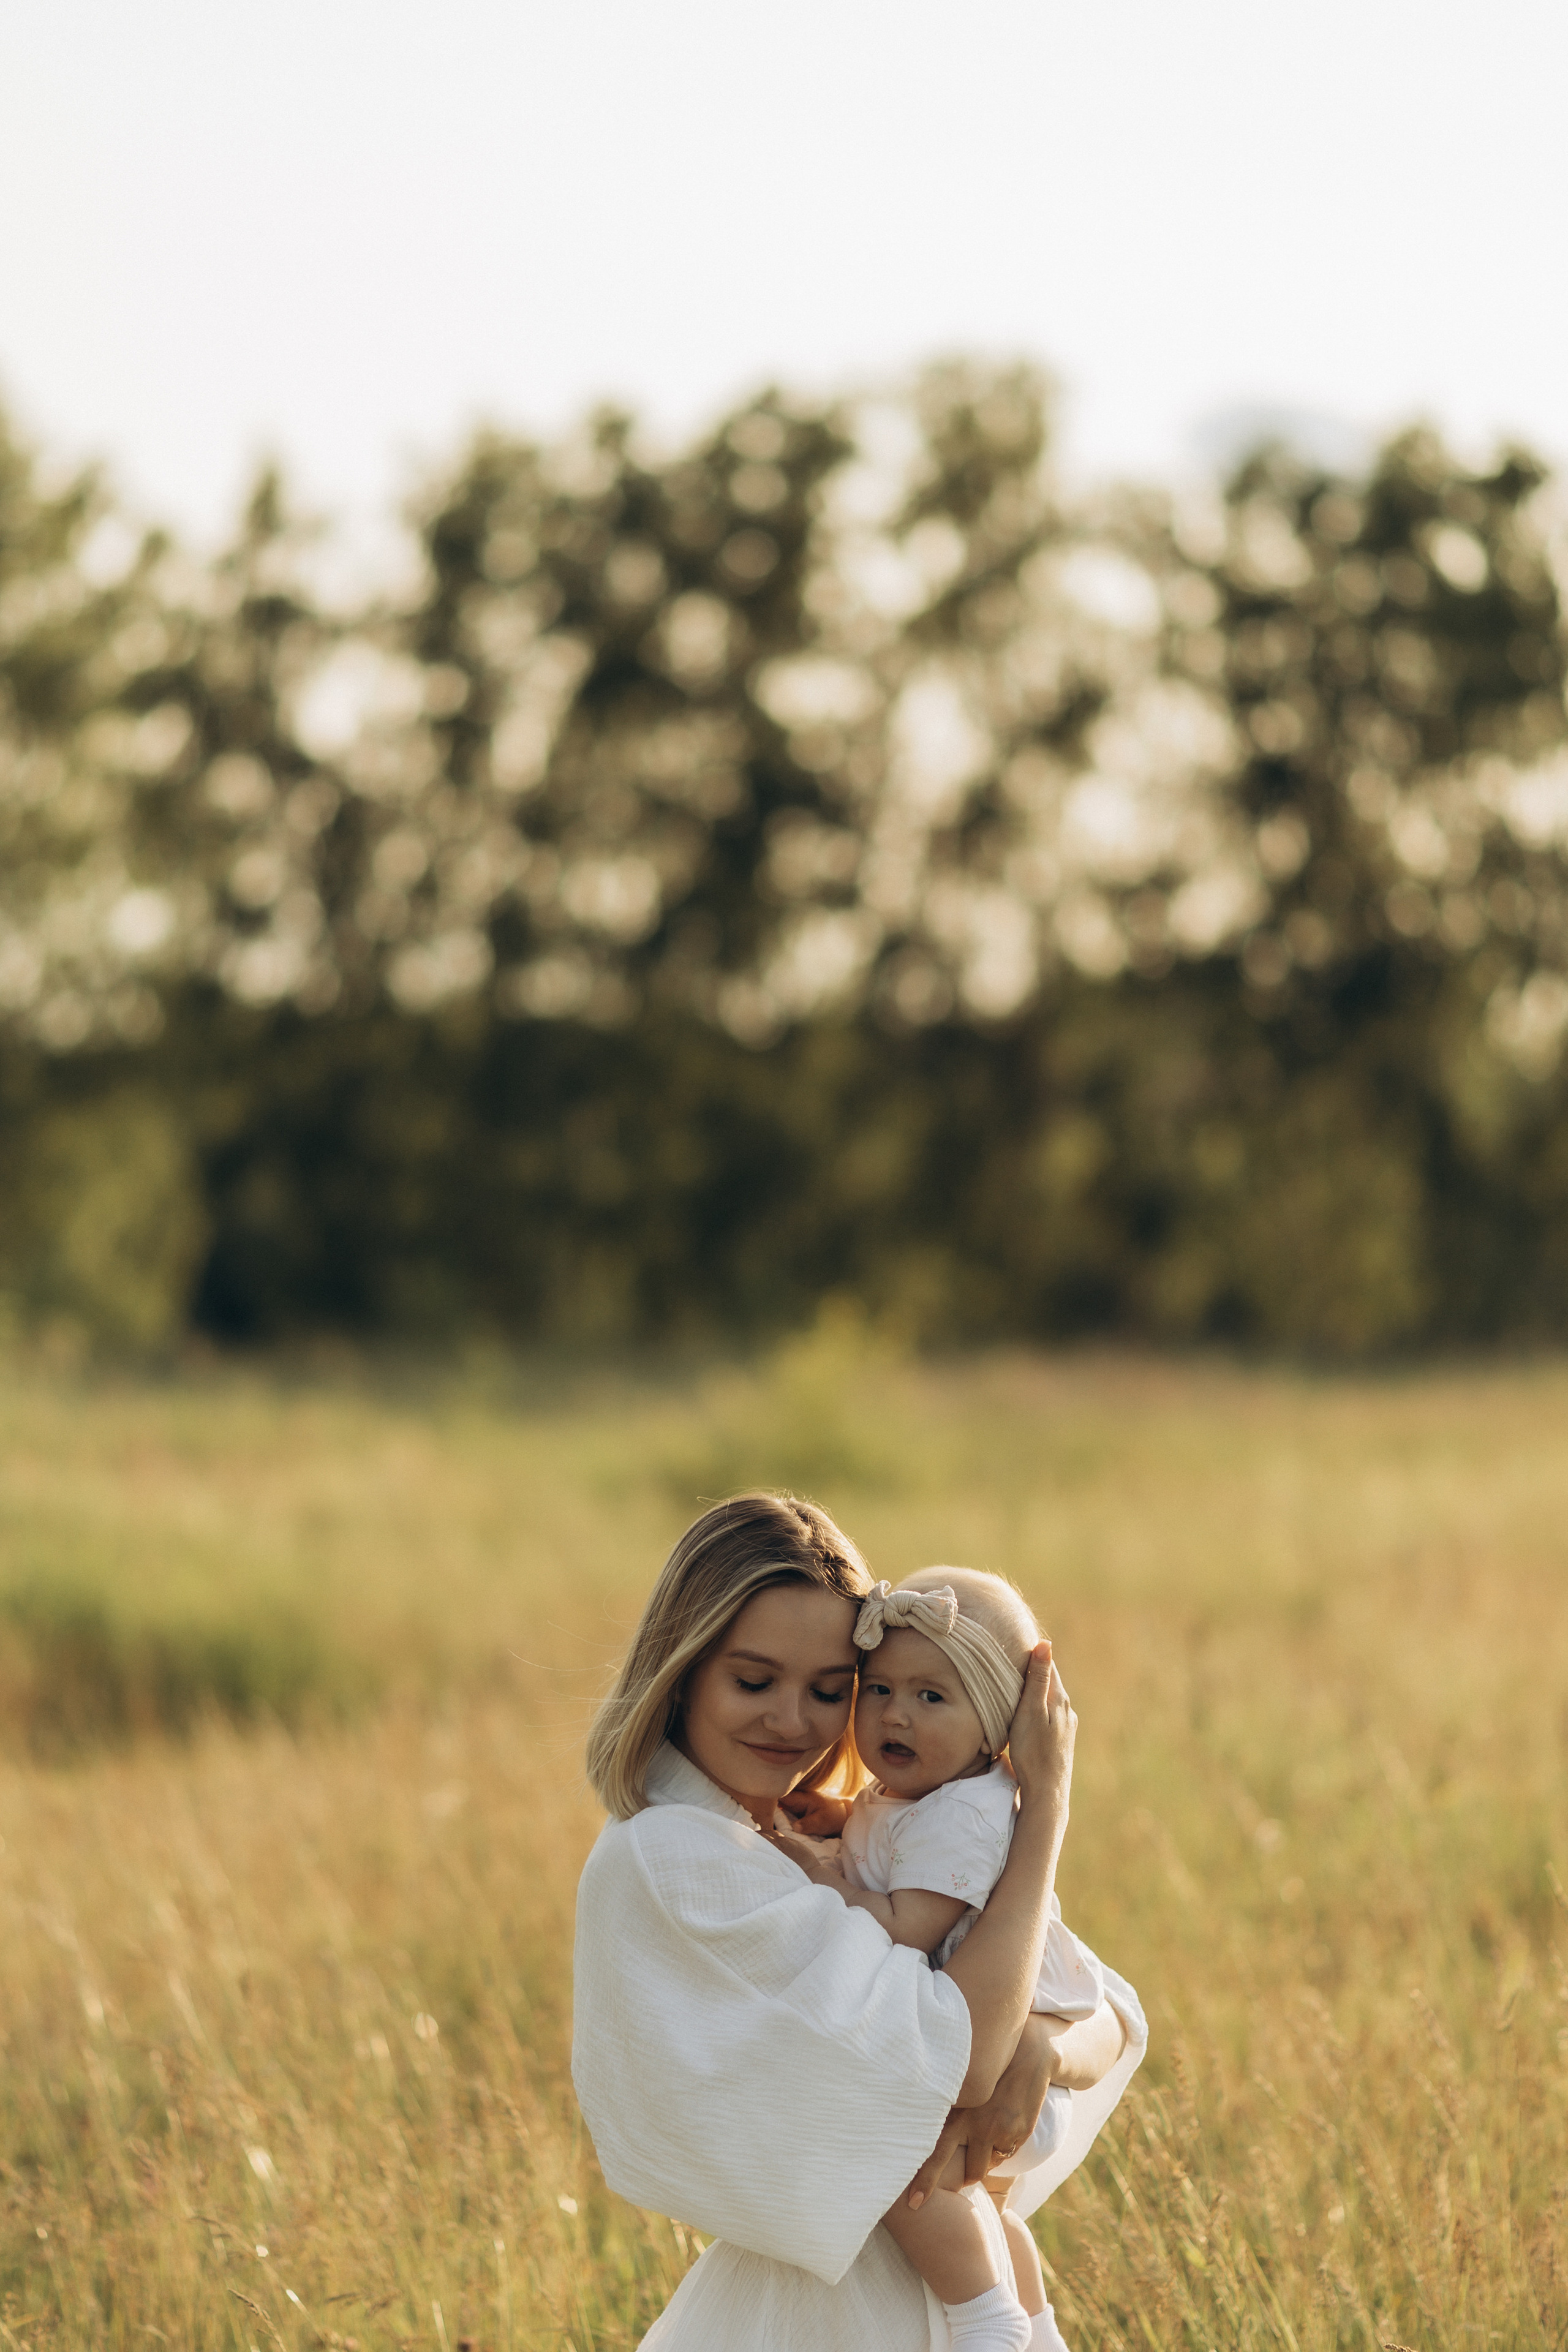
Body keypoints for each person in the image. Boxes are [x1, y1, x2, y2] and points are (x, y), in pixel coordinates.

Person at [573, 1494, 1146, 2352]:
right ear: (683, 1667)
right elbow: (964, 2056)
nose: (793, 1722)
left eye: (832, 1691)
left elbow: (1102, 2008)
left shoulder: (831, 1834)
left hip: (918, 2302)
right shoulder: (676, 1861)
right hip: (820, 2320)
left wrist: (1046, 2048)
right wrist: (1046, 1809)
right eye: (753, 1680)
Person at [767, 1566, 1115, 2339]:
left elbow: (905, 1926)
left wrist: (816, 1878)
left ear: (993, 1728)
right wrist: (837, 1821)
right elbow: (889, 1842)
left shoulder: (966, 1814)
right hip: (998, 2063)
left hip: (1003, 2077)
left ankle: (984, 2317)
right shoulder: (925, 1797)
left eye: (932, 1697)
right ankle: (1036, 2324)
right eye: (881, 1690)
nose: (897, 1715)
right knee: (979, 2207)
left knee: (890, 2164)